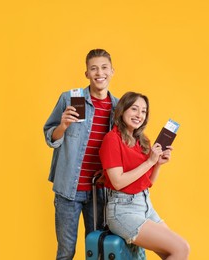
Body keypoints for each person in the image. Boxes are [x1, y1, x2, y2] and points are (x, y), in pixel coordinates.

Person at [43, 49, 118, 259]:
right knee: (66, 252)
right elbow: (50, 136)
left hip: (100, 191)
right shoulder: (69, 98)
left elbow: (126, 145)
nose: (99, 73)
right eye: (93, 68)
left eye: (104, 68)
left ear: (112, 71)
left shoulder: (119, 107)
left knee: (97, 250)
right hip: (69, 189)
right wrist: (63, 125)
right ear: (86, 73)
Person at [99, 92, 190, 260]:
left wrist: (158, 164)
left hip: (145, 205)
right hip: (122, 210)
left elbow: (147, 183)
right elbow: (117, 182)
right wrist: (149, 162)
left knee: (176, 252)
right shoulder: (112, 139)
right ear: (122, 111)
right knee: (181, 248)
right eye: (134, 109)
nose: (139, 115)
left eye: (143, 111)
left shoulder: (143, 141)